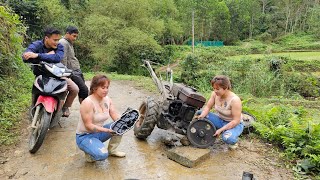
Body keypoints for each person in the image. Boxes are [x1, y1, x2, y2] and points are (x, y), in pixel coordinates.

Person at [22, 27, 79, 117]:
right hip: (41, 75)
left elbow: (57, 58)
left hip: (58, 75)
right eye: (54, 40)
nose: (57, 42)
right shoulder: (36, 45)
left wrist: (37, 55)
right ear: (46, 38)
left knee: (75, 89)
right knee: (36, 88)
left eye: (58, 40)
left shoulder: (59, 46)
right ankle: (33, 105)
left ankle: (65, 107)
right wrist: (28, 55)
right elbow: (26, 56)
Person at [76, 74, 126, 162]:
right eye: (103, 88)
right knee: (102, 155)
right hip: (85, 136)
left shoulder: (107, 99)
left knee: (120, 126)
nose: (106, 90)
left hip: (98, 133)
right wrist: (106, 130)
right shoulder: (87, 102)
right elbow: (88, 126)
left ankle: (112, 150)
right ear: (95, 88)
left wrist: (124, 121)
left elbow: (114, 114)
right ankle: (89, 151)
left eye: (107, 87)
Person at [196, 75, 244, 149]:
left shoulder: (235, 100)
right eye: (214, 88)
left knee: (227, 138)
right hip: (220, 120)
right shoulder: (214, 94)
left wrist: (221, 130)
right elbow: (208, 107)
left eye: (218, 89)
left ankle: (233, 139)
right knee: (200, 113)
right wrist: (201, 116)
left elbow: (236, 121)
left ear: (226, 88)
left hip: (234, 124)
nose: (215, 91)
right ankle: (218, 129)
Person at [59, 26, 88, 103]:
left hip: (76, 70)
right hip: (71, 71)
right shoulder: (63, 43)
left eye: (76, 36)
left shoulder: (69, 42)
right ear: (67, 33)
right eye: (74, 36)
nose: (75, 38)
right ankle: (84, 110)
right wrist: (64, 72)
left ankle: (85, 109)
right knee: (84, 90)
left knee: (83, 91)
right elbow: (63, 59)